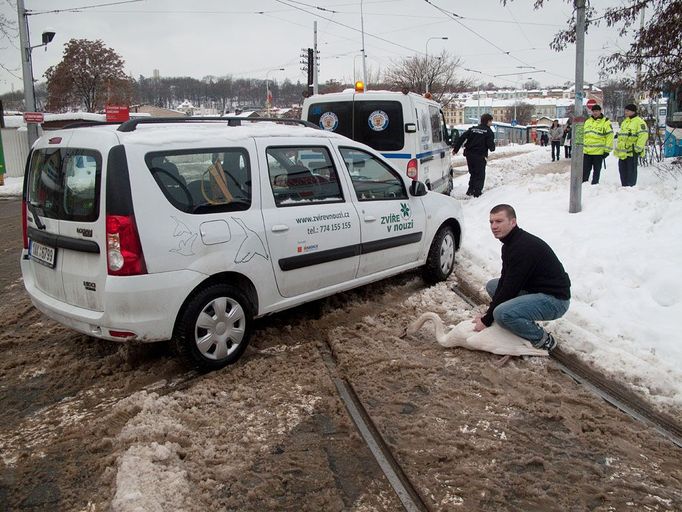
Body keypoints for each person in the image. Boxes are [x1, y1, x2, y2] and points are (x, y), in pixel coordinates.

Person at [472, 204, 571, 351]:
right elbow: (505, 280)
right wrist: (488, 314)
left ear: (513, 222)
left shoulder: (523, 247)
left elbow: (510, 289)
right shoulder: (510, 244)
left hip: (555, 301)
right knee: (492, 286)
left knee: (502, 313)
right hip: (536, 291)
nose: (493, 226)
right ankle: (517, 317)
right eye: (491, 222)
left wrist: (486, 320)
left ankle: (543, 340)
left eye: (499, 221)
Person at [452, 113, 495, 197]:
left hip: (469, 155)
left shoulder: (472, 129)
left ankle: (470, 190)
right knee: (480, 174)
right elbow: (491, 147)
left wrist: (455, 149)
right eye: (491, 121)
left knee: (473, 173)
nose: (491, 123)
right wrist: (492, 147)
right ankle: (477, 192)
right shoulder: (488, 132)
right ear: (488, 121)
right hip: (480, 155)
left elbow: (462, 138)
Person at [615, 103, 649, 187]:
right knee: (622, 172)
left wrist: (637, 149)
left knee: (631, 172)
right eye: (625, 110)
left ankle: (631, 188)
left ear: (633, 111)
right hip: (623, 153)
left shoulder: (639, 122)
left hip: (632, 152)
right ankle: (624, 187)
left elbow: (643, 136)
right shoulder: (625, 122)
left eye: (627, 110)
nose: (625, 112)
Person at [582, 104, 614, 184]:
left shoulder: (606, 122)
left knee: (596, 171)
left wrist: (607, 150)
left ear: (600, 111)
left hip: (598, 152)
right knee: (585, 170)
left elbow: (609, 136)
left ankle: (595, 185)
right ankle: (584, 184)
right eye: (593, 111)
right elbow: (583, 135)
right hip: (587, 151)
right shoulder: (588, 121)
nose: (595, 113)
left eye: (597, 111)